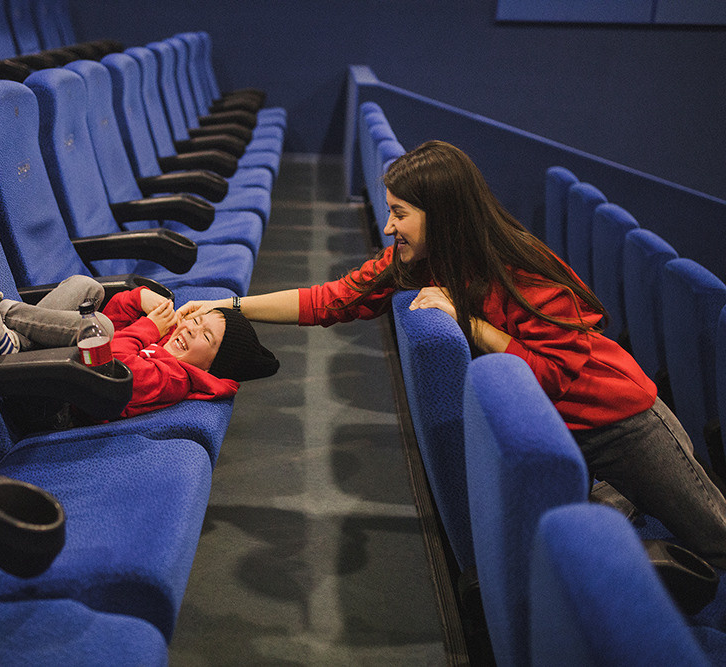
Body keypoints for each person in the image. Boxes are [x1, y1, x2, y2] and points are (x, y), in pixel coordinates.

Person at [177, 139, 726, 568]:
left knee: (715, 540)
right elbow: (332, 299)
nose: (388, 225)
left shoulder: (522, 270)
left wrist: (474, 325)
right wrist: (232, 305)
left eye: (399, 213)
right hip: (560, 433)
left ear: (440, 215)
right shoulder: (418, 261)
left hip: (621, 419)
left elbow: (555, 374)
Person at [0, 259, 279, 419]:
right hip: (59, 369)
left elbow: (112, 361)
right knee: (86, 288)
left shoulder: (174, 378)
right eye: (198, 319)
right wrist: (139, 298)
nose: (191, 327)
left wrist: (147, 329)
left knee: (99, 326)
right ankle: (14, 346)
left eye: (206, 336)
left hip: (53, 402)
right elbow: (116, 320)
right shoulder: (164, 347)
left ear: (212, 367)